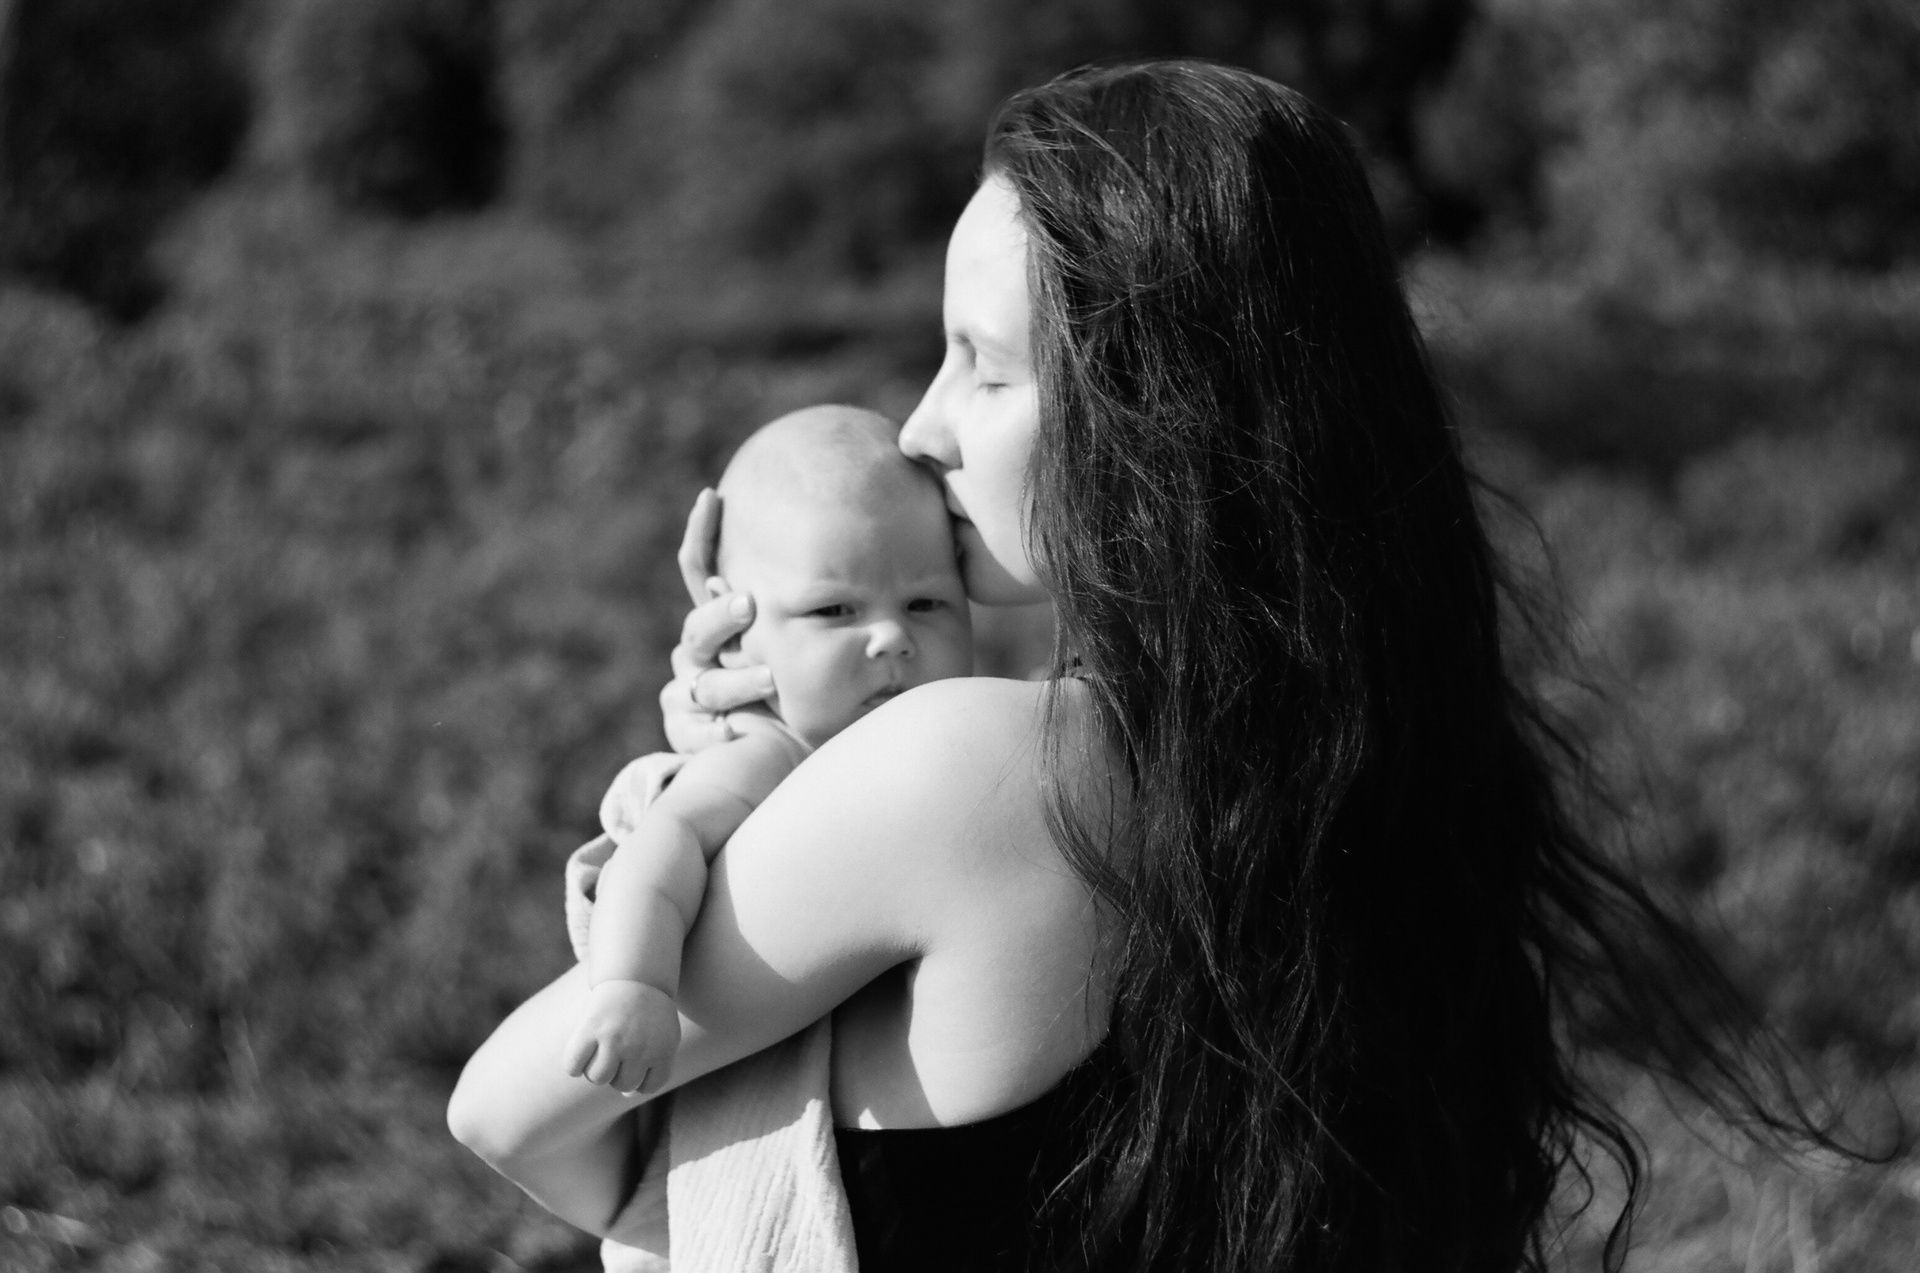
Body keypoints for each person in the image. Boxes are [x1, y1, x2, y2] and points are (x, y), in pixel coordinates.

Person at [451, 60, 1829, 1272]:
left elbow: (507, 1113)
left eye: (984, 368)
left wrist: (740, 792)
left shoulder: (973, 772)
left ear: (1153, 420)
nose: (922, 427)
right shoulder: (1367, 779)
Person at [560, 403, 974, 1099]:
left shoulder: (961, 732)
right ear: (734, 623)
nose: (891, 638)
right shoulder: (769, 757)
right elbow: (659, 850)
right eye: (834, 610)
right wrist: (638, 985)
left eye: (926, 604)